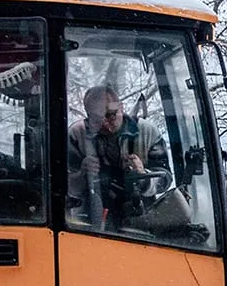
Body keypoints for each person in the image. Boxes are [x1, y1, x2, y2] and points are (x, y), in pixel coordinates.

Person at [68, 85, 168, 231]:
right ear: (87, 115)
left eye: (111, 115)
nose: (105, 124)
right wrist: (82, 175)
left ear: (121, 107)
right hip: (89, 224)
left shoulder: (147, 132)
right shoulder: (76, 135)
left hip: (142, 221)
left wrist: (144, 176)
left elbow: (165, 179)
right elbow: (63, 186)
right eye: (96, 119)